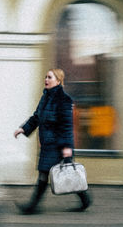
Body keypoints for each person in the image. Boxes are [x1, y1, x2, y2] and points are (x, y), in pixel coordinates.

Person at [14, 68, 91, 214]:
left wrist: (67, 148)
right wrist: (23, 129)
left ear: (58, 81)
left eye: (50, 77)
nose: (46, 80)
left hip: (58, 145)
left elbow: (66, 126)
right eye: (45, 77)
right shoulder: (45, 97)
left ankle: (31, 207)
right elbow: (36, 117)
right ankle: (84, 199)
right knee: (56, 174)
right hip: (47, 144)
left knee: (51, 173)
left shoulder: (64, 99)